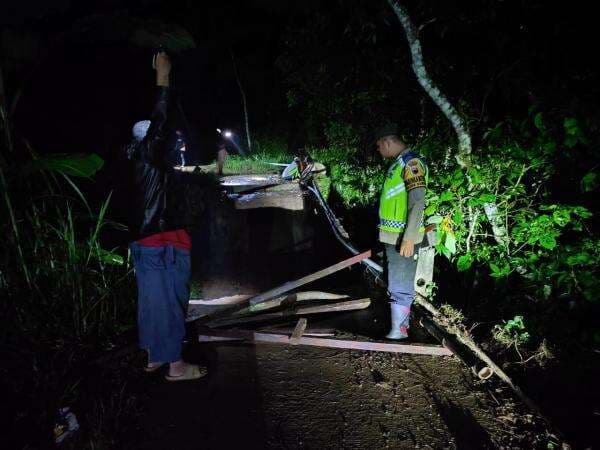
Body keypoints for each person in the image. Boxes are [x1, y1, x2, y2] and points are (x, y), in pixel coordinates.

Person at [126, 51, 205, 381]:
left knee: (151, 302)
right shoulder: (151, 154)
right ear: (151, 142)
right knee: (171, 302)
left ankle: (155, 356)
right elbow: (160, 121)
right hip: (164, 241)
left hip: (145, 241)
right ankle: (176, 365)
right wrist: (164, 78)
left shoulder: (136, 165)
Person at [375, 123, 428, 340]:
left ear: (388, 142)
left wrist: (408, 238)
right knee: (396, 277)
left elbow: (417, 202)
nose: (379, 150)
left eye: (379, 146)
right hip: (392, 236)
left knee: (401, 282)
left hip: (403, 238)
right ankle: (397, 328)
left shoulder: (411, 163)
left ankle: (400, 331)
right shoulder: (398, 164)